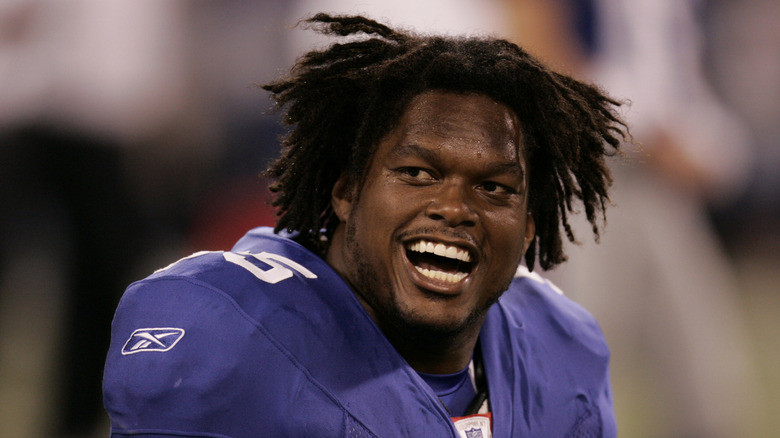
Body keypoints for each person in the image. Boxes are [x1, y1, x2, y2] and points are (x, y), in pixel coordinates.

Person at [102, 13, 629, 437]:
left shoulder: (561, 347)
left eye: (494, 188)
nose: (454, 207)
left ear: (529, 228)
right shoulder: (231, 331)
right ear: (347, 192)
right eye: (418, 173)